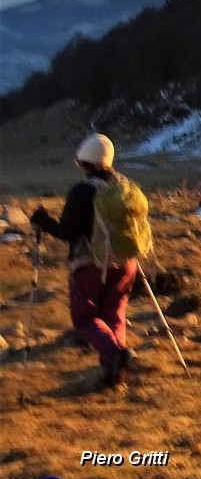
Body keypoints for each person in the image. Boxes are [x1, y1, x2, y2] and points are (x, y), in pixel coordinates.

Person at [31, 134, 137, 387]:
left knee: (84, 319)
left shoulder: (81, 192)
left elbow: (68, 232)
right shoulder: (124, 189)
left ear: (84, 163)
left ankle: (115, 355)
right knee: (114, 314)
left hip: (90, 263)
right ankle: (113, 372)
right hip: (125, 264)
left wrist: (43, 221)